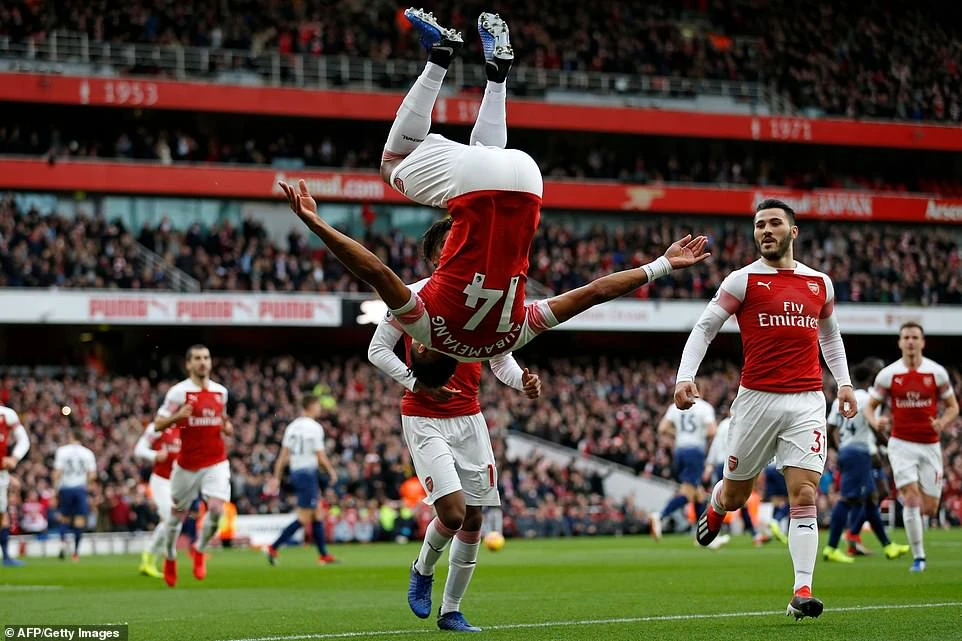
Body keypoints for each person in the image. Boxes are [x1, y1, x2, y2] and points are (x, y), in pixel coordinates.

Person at [279, 9, 709, 379]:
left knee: (489, 152)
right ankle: (440, 55)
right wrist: (316, 224)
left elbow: (593, 292)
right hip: (480, 184)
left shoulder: (510, 338)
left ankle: (497, 77)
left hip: (529, 182)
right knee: (393, 163)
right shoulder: (425, 326)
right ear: (422, 350)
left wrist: (662, 265)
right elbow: (375, 271)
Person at [673, 199, 856, 620]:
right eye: (759, 225)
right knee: (737, 495)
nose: (766, 231)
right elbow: (705, 328)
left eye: (775, 223)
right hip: (756, 400)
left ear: (793, 232)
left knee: (804, 493)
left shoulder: (819, 283)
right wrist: (685, 376)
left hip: (807, 400)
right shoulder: (743, 280)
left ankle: (802, 590)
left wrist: (844, 383)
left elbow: (830, 337)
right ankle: (718, 504)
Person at [368, 216, 540, 632]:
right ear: (434, 255)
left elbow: (500, 358)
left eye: (463, 239)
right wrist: (417, 383)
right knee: (453, 510)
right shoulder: (414, 296)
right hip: (424, 417)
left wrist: (522, 380)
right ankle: (422, 568)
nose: (459, 245)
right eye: (450, 241)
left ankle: (451, 611)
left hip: (469, 417)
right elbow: (377, 349)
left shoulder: (486, 297)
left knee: (474, 518)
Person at [864, 322, 959, 573]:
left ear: (922, 342)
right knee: (910, 496)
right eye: (906, 337)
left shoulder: (936, 373)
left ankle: (919, 547)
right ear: (899, 342)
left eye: (915, 337)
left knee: (930, 507)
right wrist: (877, 422)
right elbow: (869, 408)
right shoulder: (889, 374)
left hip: (930, 445)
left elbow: (953, 407)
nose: (910, 342)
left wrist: (942, 422)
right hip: (901, 444)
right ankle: (919, 557)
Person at [153, 345, 233, 588]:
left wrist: (227, 427)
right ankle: (170, 556)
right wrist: (178, 417)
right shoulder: (179, 392)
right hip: (187, 466)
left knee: (217, 509)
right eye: (197, 358)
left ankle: (199, 549)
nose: (202, 362)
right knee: (175, 518)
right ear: (188, 364)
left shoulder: (221, 392)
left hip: (216, 462)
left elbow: (223, 421)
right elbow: (158, 424)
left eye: (206, 358)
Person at [823, 364, 910, 563]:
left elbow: (830, 430)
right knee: (847, 499)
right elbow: (874, 428)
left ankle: (888, 545)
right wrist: (891, 445)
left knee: (871, 498)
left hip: (847, 451)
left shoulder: (841, 400)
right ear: (871, 379)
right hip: (860, 452)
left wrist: (841, 449)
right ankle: (831, 547)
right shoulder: (869, 399)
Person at [266, 395, 338, 565]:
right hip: (307, 473)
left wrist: (277, 476)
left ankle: (323, 555)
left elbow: (283, 455)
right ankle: (273, 547)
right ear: (311, 406)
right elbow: (320, 455)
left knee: (316, 514)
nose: (320, 409)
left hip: (296, 473)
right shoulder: (315, 427)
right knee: (304, 517)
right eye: (318, 405)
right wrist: (331, 471)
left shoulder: (292, 427)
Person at [649, 393, 716, 540]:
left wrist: (678, 433)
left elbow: (662, 428)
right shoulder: (705, 407)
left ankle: (703, 535)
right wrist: (698, 434)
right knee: (689, 491)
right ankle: (660, 515)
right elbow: (712, 431)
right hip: (694, 451)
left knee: (697, 494)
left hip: (679, 451)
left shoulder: (675, 407)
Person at [704, 411, 766, 546]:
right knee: (737, 501)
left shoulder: (723, 425)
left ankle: (711, 534)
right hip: (734, 463)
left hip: (721, 463)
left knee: (720, 500)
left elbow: (715, 446)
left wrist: (709, 464)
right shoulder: (743, 423)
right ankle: (753, 534)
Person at [133, 422, 182, 578]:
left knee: (173, 522)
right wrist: (154, 455)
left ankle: (148, 556)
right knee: (171, 518)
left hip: (179, 482)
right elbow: (139, 449)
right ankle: (168, 556)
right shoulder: (159, 426)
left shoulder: (187, 427)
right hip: (161, 481)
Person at [53, 427, 97, 561]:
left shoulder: (62, 451)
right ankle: (75, 553)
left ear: (71, 437)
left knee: (64, 518)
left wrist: (55, 490)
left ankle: (62, 543)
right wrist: (87, 486)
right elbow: (92, 475)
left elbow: (57, 472)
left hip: (65, 488)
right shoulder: (88, 453)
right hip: (80, 489)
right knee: (79, 520)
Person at [0, 404, 29, 567]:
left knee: (2, 514)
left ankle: (6, 556)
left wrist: (14, 458)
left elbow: (24, 440)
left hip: (1, 473)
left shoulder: (6, 414)